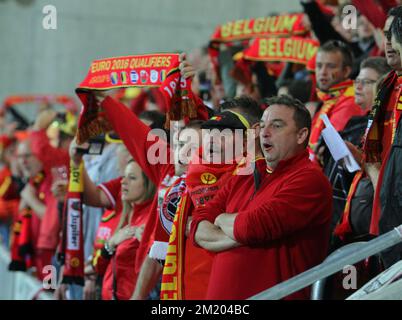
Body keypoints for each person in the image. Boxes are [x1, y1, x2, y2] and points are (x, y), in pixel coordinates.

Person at [190, 95, 332, 300]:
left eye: (277, 126)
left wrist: (220, 220)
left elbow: (254, 226)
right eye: (263, 125)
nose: (264, 133)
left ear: (301, 135)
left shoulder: (310, 180)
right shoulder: (246, 175)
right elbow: (198, 224)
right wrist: (240, 232)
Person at [310, 40, 365, 163]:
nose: (323, 72)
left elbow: (328, 151)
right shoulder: (328, 98)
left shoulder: (350, 101)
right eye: (319, 66)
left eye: (330, 66)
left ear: (346, 71)